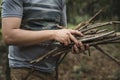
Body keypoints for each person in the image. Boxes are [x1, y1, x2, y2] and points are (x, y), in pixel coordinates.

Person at [1, 0, 85, 80]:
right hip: (26, 70)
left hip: (52, 71)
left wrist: (74, 44)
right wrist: (53, 34)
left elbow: (61, 34)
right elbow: (9, 36)